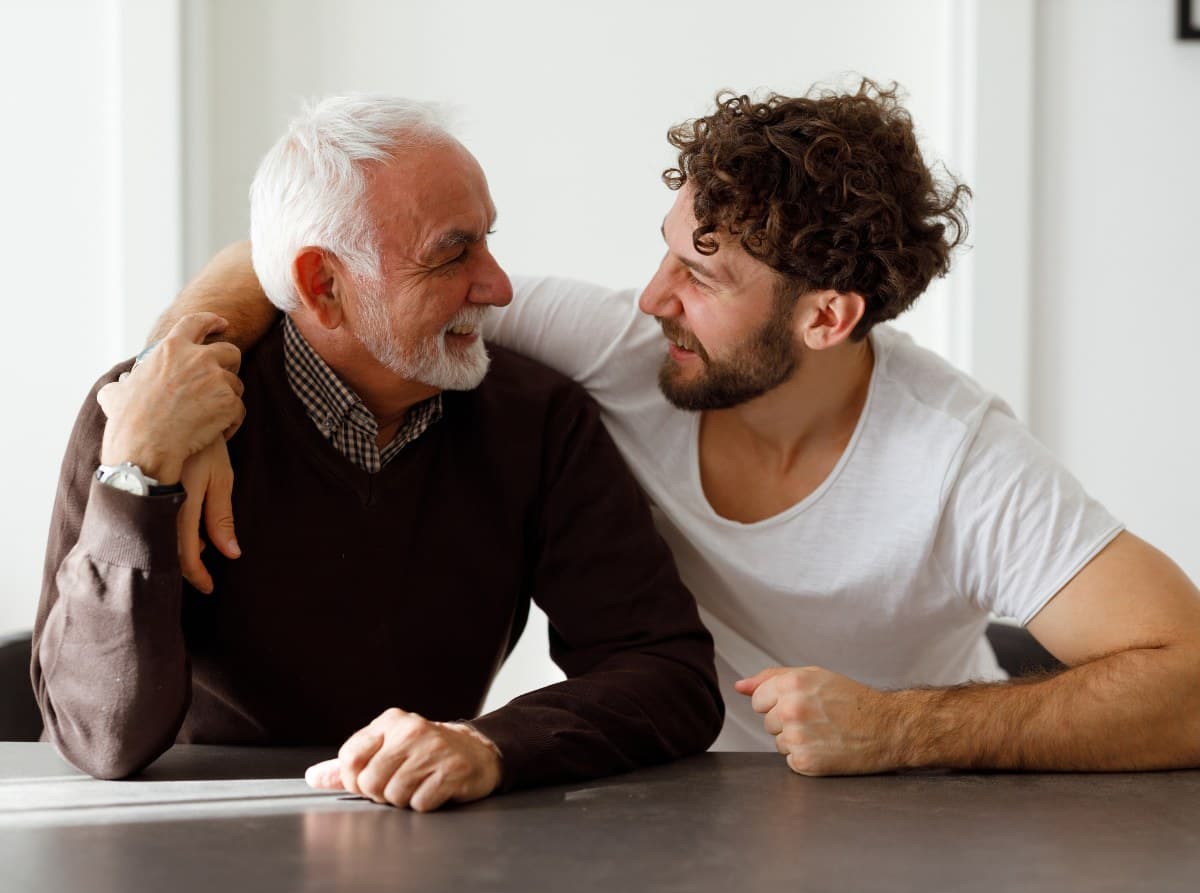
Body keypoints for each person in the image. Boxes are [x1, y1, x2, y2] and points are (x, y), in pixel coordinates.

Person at [136, 81, 1200, 775]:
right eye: (667, 250)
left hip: (905, 822)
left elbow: (1188, 675)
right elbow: (300, 260)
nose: (652, 297)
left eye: (701, 274)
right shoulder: (620, 347)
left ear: (826, 318)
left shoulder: (959, 461)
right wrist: (183, 389)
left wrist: (902, 728)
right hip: (662, 803)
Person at [31, 95, 723, 810]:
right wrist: (136, 480)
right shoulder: (143, 416)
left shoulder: (538, 419)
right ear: (322, 285)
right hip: (198, 835)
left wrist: (490, 745)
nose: (499, 286)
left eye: (488, 240)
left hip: (431, 832)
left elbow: (666, 670)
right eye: (453, 254)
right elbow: (100, 740)